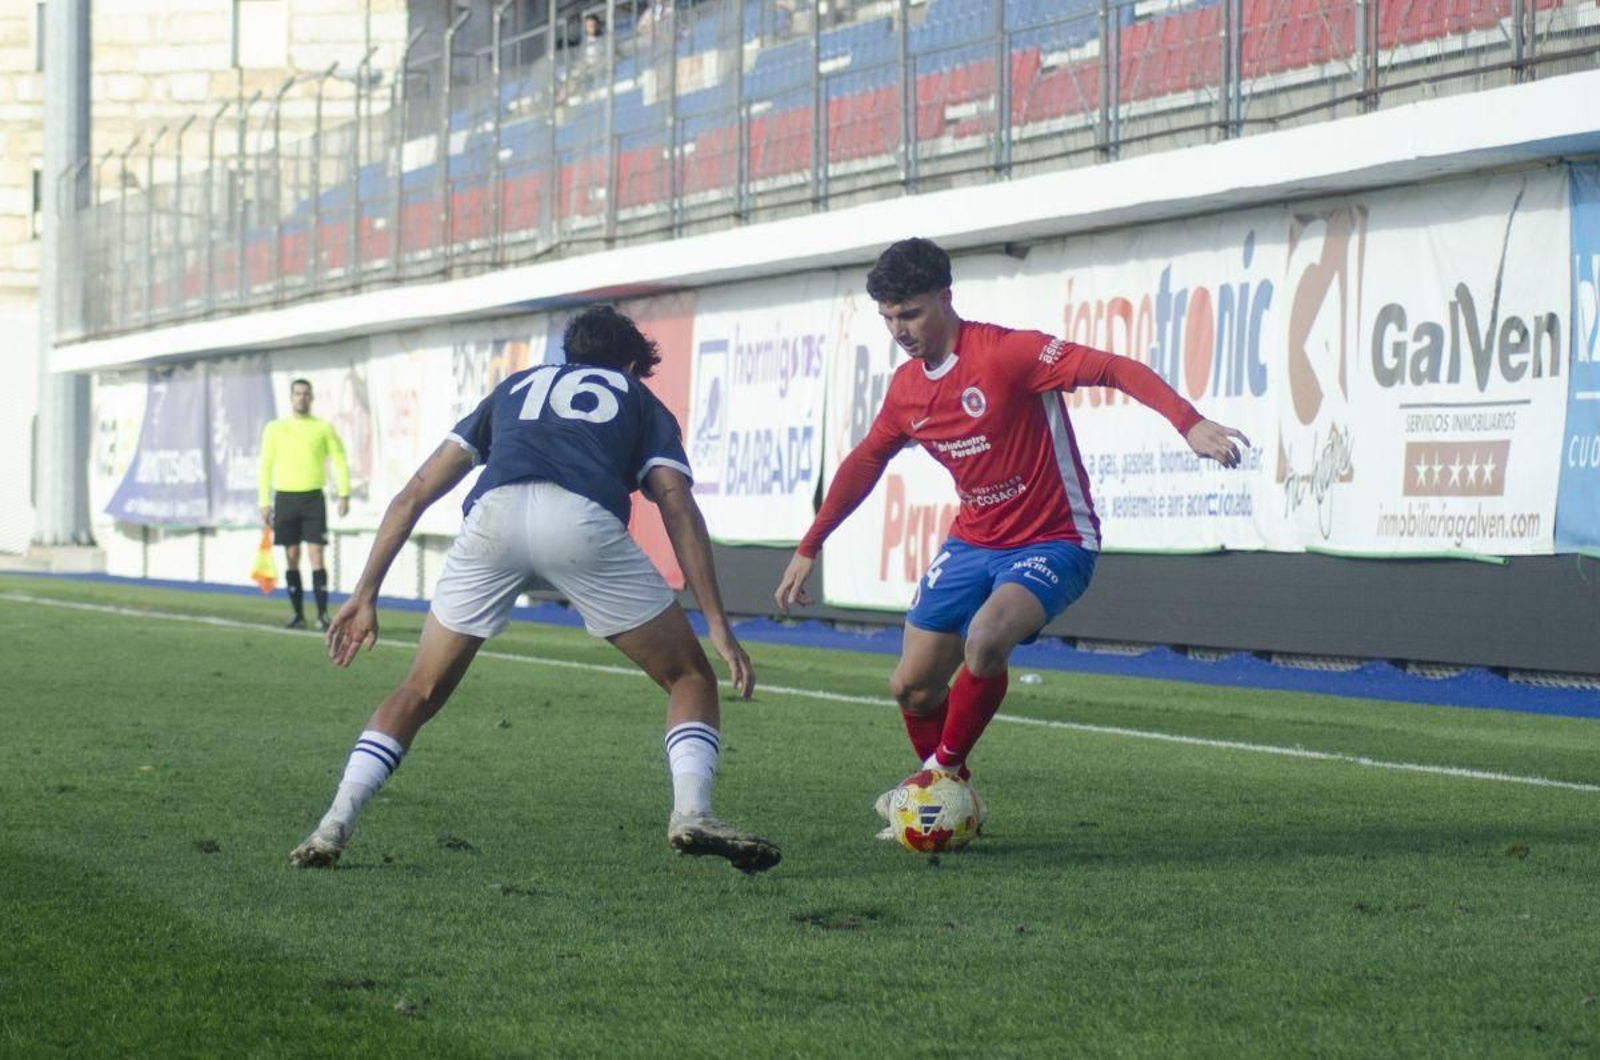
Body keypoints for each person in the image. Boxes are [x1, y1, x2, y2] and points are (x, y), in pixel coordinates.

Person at [773, 238, 1249, 837]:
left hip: (1054, 538)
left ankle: (937, 779)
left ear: (946, 298)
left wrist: (1190, 422)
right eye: (888, 317)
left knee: (986, 638)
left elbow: (1113, 367)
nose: (900, 329)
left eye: (911, 313)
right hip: (973, 541)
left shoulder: (1007, 354)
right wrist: (810, 545)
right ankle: (945, 789)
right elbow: (867, 461)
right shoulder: (906, 390)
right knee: (911, 688)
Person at [290, 305, 780, 875]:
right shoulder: (636, 396)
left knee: (419, 690)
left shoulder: (516, 387)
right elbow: (674, 501)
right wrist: (718, 623)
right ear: (627, 363)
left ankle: (333, 824)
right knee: (688, 676)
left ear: (568, 355)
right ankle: (693, 811)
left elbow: (415, 492)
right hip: (580, 521)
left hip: (493, 518)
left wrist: (365, 592)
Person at [259, 378, 351, 631]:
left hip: (312, 497)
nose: (302, 398)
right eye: (298, 393)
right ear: (291, 397)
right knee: (291, 555)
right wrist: (264, 501)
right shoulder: (276, 428)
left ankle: (322, 614)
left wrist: (344, 493)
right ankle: (297, 613)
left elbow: (339, 459)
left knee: (317, 554)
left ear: (311, 398)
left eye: (306, 394)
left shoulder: (322, 428)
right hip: (286, 497)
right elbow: (265, 465)